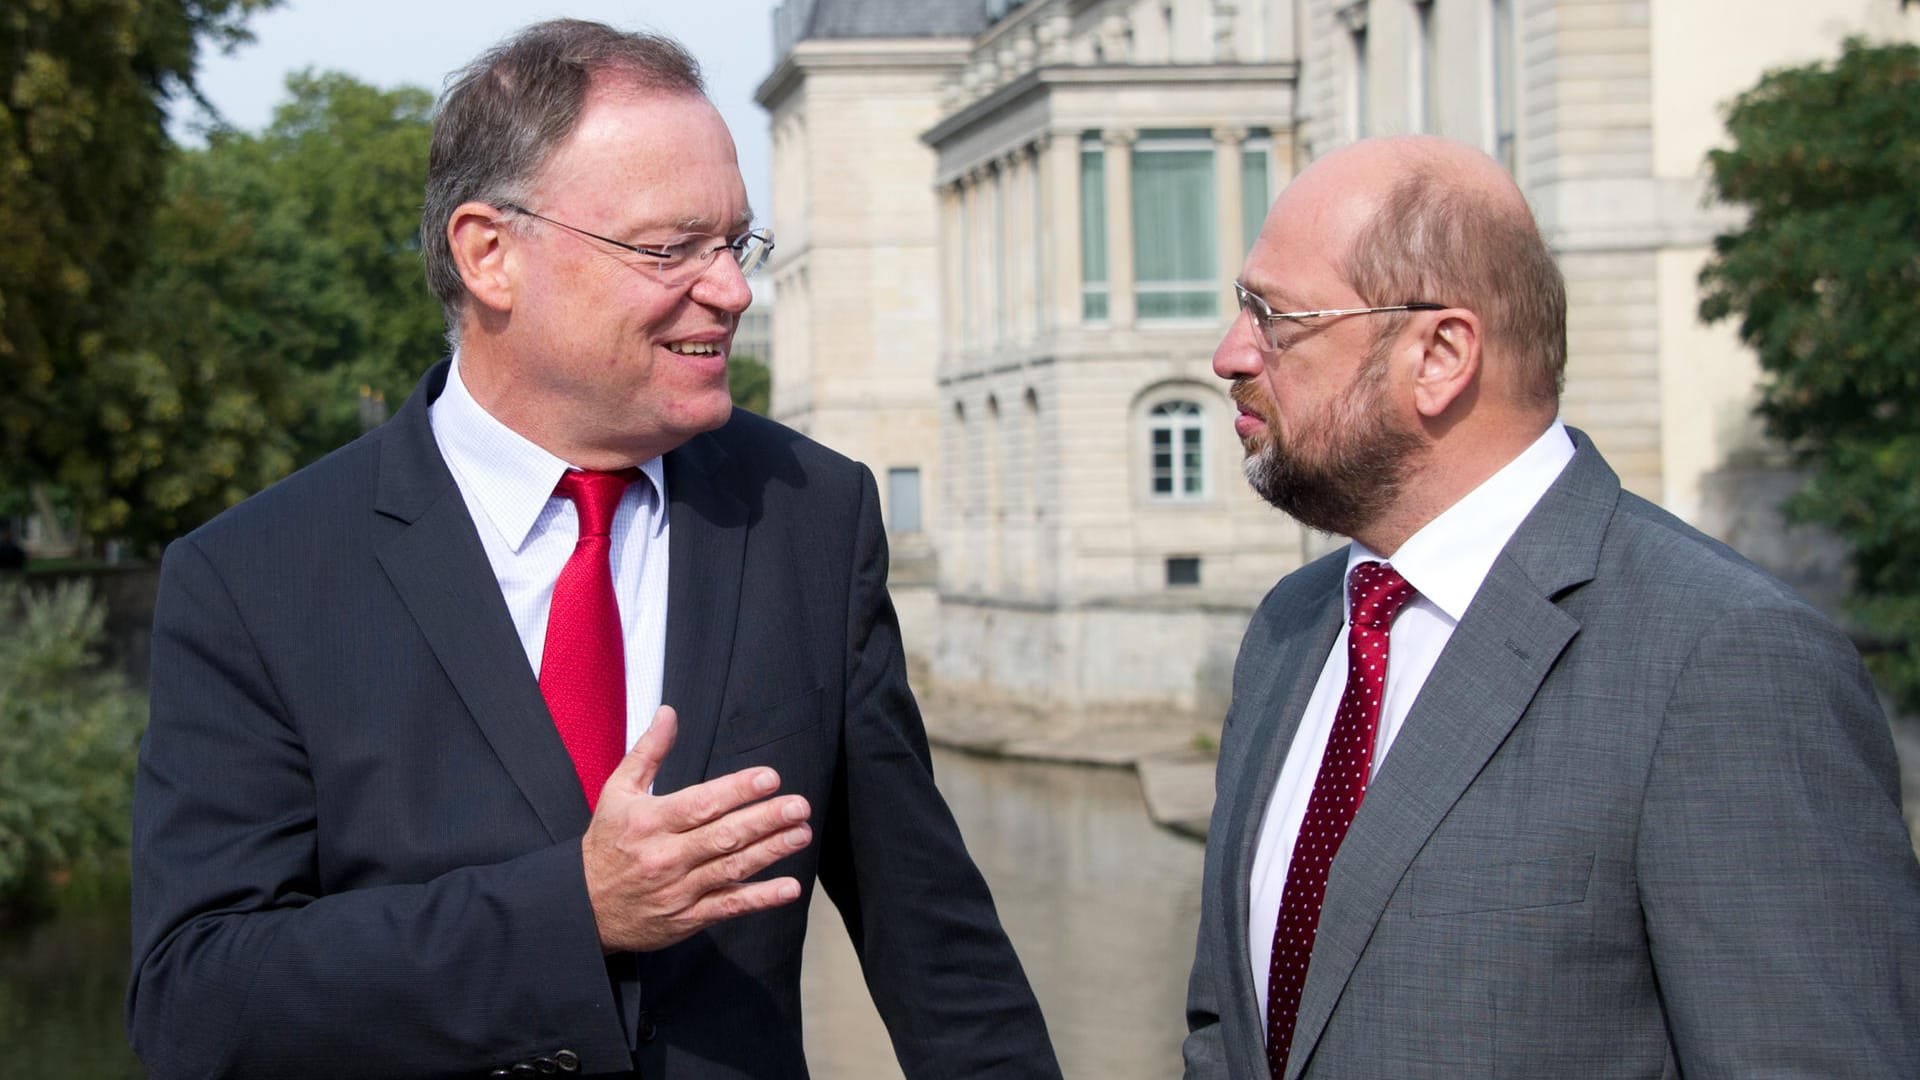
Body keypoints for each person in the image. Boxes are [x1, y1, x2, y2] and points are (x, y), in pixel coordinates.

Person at [127, 20, 1059, 1080]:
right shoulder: (253, 578)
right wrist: (572, 912)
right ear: (490, 255)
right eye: (670, 248)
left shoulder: (811, 515)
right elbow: (194, 1000)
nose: (733, 289)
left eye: (735, 242)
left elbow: (938, 953)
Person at [1184, 135, 1920, 1079]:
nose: (1230, 353)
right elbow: (1224, 1034)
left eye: (1277, 317)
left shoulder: (1727, 658)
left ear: (1440, 353)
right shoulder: (1292, 628)